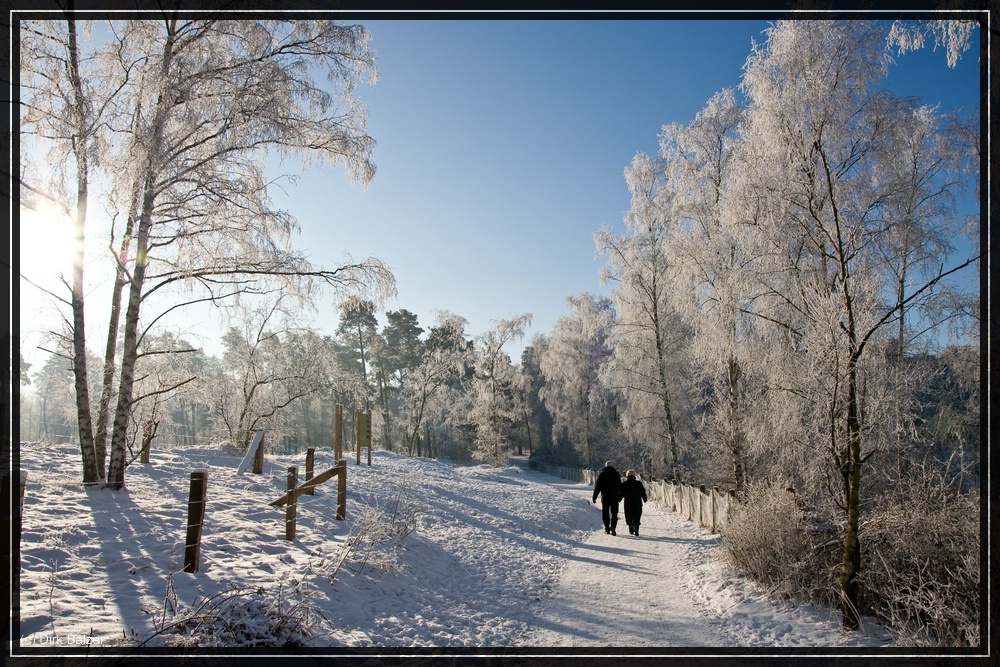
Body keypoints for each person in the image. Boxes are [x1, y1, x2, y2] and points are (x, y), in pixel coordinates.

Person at [592, 461, 623, 535]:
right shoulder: (616, 475)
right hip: (614, 497)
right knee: (614, 513)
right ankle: (613, 526)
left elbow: (597, 487)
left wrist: (594, 497)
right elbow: (620, 487)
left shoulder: (602, 475)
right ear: (612, 466)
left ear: (605, 466)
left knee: (605, 513)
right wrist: (619, 497)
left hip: (605, 497)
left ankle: (607, 528)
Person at [620, 469, 647, 536]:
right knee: (637, 515)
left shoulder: (625, 484)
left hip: (628, 503)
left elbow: (621, 493)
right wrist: (644, 498)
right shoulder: (638, 483)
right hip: (637, 502)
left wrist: (618, 499)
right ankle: (636, 527)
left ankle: (631, 527)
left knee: (629, 515)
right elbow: (643, 492)